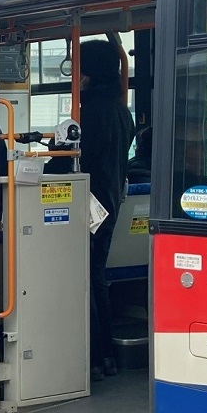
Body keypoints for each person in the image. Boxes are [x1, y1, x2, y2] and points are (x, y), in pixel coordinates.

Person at [77, 39, 136, 382]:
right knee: (96, 276)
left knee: (83, 277)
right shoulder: (120, 109)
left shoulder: (91, 111)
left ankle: (94, 357)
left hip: (88, 203)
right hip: (110, 202)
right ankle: (106, 356)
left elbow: (78, 160)